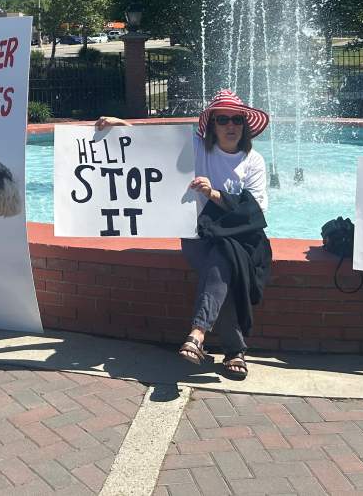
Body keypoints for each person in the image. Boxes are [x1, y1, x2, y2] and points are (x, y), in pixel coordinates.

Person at [98, 89, 272, 380]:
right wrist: (119, 125)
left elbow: (256, 209)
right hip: (198, 235)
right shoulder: (197, 149)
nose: (231, 126)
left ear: (245, 125)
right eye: (223, 119)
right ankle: (234, 351)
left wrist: (214, 194)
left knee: (223, 259)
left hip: (243, 239)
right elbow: (157, 145)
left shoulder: (254, 161)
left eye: (237, 120)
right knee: (223, 260)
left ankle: (198, 332)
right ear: (212, 126)